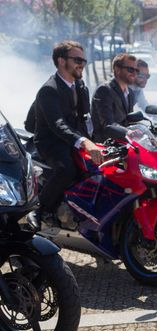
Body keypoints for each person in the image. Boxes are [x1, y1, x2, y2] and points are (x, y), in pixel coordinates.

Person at [27, 40, 102, 230]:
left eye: (84, 60)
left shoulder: (80, 85)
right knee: (67, 169)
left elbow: (84, 117)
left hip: (73, 138)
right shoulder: (49, 90)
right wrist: (84, 141)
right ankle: (39, 209)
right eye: (77, 59)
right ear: (61, 61)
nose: (82, 64)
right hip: (51, 141)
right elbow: (57, 125)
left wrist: (97, 140)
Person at [91, 53, 138, 143]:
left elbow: (129, 120)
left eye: (136, 70)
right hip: (106, 148)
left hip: (124, 145)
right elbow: (108, 124)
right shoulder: (104, 90)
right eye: (130, 69)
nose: (134, 73)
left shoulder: (130, 93)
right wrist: (128, 132)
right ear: (117, 69)